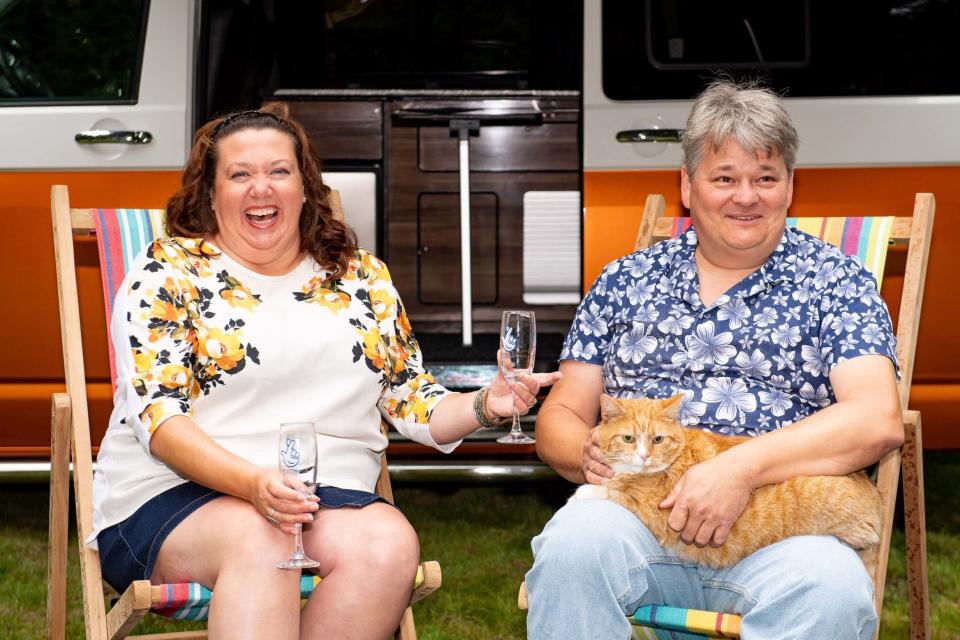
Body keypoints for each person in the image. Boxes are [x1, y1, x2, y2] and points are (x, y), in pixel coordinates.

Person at [89, 102, 561, 640]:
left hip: (323, 495)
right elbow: (159, 421)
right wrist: (253, 484)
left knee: (389, 544)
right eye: (239, 175)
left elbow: (412, 400)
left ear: (306, 188)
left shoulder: (361, 277)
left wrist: (485, 403)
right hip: (176, 493)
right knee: (262, 534)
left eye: (278, 172)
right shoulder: (168, 273)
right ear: (210, 195)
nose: (260, 189)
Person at [525, 80, 903, 640]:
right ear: (687, 184)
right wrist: (586, 452)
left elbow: (876, 419)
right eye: (724, 177)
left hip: (780, 536)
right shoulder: (626, 280)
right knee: (572, 549)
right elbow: (559, 415)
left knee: (834, 593)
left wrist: (738, 469)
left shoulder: (834, 282)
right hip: (635, 524)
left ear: (790, 187)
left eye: (765, 179)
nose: (745, 197)